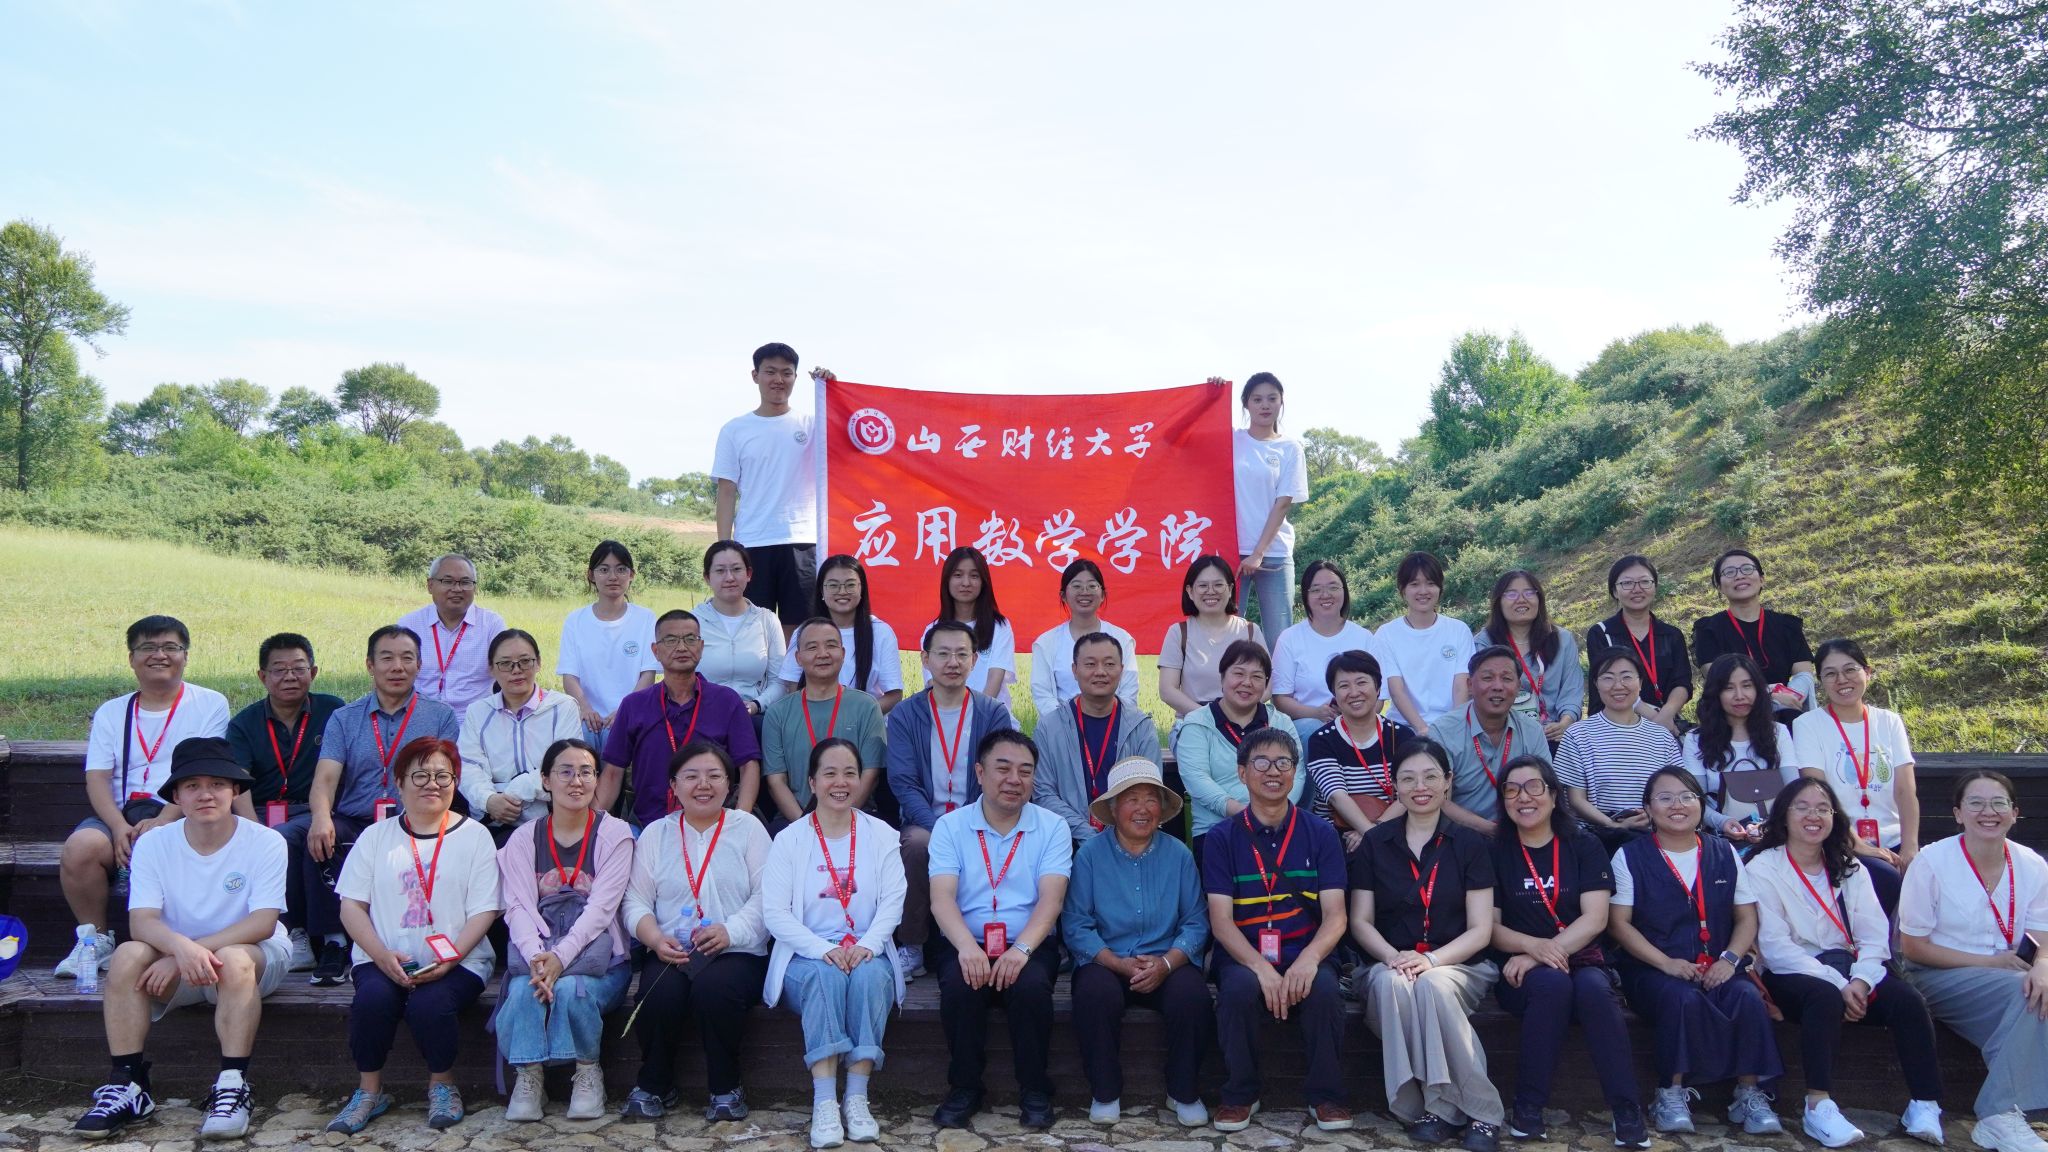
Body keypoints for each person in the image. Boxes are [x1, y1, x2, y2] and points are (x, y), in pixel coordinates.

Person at [69, 738, 290, 1141]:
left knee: (234, 958)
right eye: (192, 786)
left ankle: (232, 1085)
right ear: (176, 796)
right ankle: (128, 1084)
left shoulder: (266, 841)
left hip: (254, 956)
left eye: (217, 784)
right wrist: (180, 949)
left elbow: (262, 922)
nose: (206, 794)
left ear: (235, 790)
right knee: (127, 954)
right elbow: (142, 922)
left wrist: (187, 951)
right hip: (179, 955)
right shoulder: (155, 842)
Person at [1747, 777, 1944, 1147]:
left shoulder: (1849, 866)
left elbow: (1874, 935)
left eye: (1823, 809)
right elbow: (1775, 947)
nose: (1814, 816)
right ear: (1784, 815)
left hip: (1852, 971)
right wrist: (1839, 984)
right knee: (1824, 997)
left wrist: (1861, 980)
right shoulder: (1763, 868)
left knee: (1908, 1001)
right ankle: (1818, 1106)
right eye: (1802, 807)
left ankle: (1924, 1104)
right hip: (1793, 972)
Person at [327, 737, 502, 1136]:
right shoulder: (376, 836)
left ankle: (442, 1085)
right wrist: (380, 954)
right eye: (420, 775)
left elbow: (485, 910)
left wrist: (450, 959)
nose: (432, 784)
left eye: (443, 776)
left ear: (455, 782)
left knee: (431, 1003)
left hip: (461, 959)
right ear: (399, 782)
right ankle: (369, 1091)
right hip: (383, 956)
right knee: (372, 1000)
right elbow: (351, 906)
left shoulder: (475, 836)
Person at [1607, 766, 1784, 1136]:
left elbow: (1746, 917)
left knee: (1745, 996)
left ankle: (1749, 1094)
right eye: (1665, 798)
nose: (1678, 805)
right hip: (1653, 969)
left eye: (1687, 796)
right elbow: (1619, 924)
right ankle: (1670, 1093)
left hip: (1717, 963)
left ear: (1701, 804)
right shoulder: (1629, 856)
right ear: (1648, 808)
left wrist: (1730, 959)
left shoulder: (1724, 852)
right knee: (1681, 998)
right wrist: (1665, 963)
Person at [1349, 739, 1505, 1152]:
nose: (1420, 787)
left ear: (1448, 782)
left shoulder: (1470, 844)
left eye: (1431, 776)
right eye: (1408, 778)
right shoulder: (1376, 843)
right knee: (1393, 984)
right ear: (1394, 785)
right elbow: (1360, 921)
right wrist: (1393, 958)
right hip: (1387, 962)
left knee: (1432, 985)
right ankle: (1430, 1106)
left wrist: (1431, 960)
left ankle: (1458, 1108)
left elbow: (1481, 930)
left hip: (1459, 965)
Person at [58, 615, 232, 982]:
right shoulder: (112, 711)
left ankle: (172, 943)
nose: (160, 655)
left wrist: (164, 819)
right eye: (148, 648)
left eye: (171, 647)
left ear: (185, 656)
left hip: (183, 811)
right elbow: (97, 777)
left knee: (170, 840)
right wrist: (117, 826)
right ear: (132, 658)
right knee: (81, 847)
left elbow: (204, 770)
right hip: (121, 812)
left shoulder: (209, 704)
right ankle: (95, 939)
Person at [1487, 756, 1647, 1148]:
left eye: (1534, 787)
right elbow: (1489, 927)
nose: (1524, 797)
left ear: (1554, 794)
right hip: (1520, 969)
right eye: (1512, 789)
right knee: (1552, 986)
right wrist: (1531, 948)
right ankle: (1528, 1108)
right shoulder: (1494, 850)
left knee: (1595, 991)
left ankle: (1627, 1111)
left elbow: (1596, 918)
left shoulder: (1583, 844)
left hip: (1581, 958)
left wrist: (1544, 950)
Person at [760, 739, 908, 1149]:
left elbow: (893, 901)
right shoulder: (789, 840)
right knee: (824, 978)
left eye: (849, 774)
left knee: (869, 978)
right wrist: (821, 949)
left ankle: (856, 1098)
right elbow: (775, 913)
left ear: (861, 780)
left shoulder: (881, 835)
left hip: (865, 948)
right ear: (812, 782)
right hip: (806, 954)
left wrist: (868, 945)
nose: (840, 783)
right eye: (829, 774)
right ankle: (825, 1102)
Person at [1202, 727, 1351, 1133]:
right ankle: (1240, 1094)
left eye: (1283, 762)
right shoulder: (1221, 838)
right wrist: (1260, 968)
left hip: (1307, 947)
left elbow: (1336, 916)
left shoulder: (1320, 833)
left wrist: (1309, 959)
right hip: (1245, 952)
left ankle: (1327, 1096)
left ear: (1295, 772)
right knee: (1237, 991)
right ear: (1242, 772)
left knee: (1323, 991)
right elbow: (1221, 920)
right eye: (1262, 762)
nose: (1273, 771)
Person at [926, 730, 1072, 1131]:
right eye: (1003, 768)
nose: (1014, 780)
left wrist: (1021, 950)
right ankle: (965, 1088)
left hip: (1029, 942)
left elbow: (1051, 901)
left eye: (1025, 771)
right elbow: (942, 899)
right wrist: (965, 947)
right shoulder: (950, 827)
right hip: (966, 940)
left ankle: (1035, 1089)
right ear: (979, 773)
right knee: (961, 988)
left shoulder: (1052, 827)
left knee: (1030, 989)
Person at [621, 742, 773, 1122]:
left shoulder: (748, 829)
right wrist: (655, 939)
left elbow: (768, 897)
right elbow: (635, 901)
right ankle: (655, 1084)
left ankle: (726, 1087)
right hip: (673, 948)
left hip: (737, 950)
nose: (703, 785)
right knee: (659, 994)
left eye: (714, 776)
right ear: (674, 785)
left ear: (729, 785)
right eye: (691, 776)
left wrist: (731, 931)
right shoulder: (657, 834)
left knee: (715, 990)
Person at [1898, 770, 2048, 1152]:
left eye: (1999, 803)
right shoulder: (1932, 862)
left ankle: (2009, 1111)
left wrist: (2044, 965)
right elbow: (1912, 947)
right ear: (1958, 813)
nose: (1988, 812)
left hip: (2009, 975)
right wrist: (1991, 963)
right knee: (2027, 994)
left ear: (2014, 812)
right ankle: (1998, 1115)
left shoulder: (2032, 865)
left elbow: (2042, 939)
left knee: (2037, 989)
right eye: (1976, 803)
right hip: (1936, 974)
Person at [307, 626, 461, 985]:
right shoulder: (345, 718)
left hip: (416, 821)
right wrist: (320, 816)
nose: (397, 666)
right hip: (357, 820)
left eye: (407, 658)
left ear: (419, 665)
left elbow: (448, 777)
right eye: (387, 658)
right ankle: (333, 942)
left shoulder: (439, 716)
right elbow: (325, 779)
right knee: (314, 834)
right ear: (369, 665)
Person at [1064, 757, 1212, 1127]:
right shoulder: (1090, 856)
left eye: (1151, 799)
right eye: (1132, 799)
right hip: (1107, 960)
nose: (1142, 809)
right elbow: (1077, 924)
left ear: (1162, 808)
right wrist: (1115, 962)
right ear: (1114, 809)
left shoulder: (1179, 855)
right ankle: (1105, 1092)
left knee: (1192, 996)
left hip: (1166, 960)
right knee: (1094, 995)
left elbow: (1196, 921)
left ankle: (1183, 1091)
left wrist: (1167, 963)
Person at [496, 739, 635, 1123]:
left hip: (602, 964)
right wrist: (539, 959)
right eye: (566, 772)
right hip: (539, 958)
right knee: (523, 991)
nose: (577, 781)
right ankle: (529, 1076)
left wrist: (559, 958)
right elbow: (518, 908)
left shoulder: (615, 834)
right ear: (545, 780)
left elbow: (601, 911)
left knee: (574, 991)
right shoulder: (524, 838)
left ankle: (588, 1072)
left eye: (586, 772)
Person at [883, 620, 1017, 979]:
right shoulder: (906, 714)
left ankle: (994, 938)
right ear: (925, 659)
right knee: (915, 845)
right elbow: (903, 782)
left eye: (961, 654)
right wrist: (941, 828)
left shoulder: (992, 712)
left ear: (975, 660)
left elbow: (999, 776)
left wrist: (969, 823)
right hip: (925, 820)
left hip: (981, 817)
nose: (953, 662)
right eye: (943, 654)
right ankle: (912, 944)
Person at [225, 632, 345, 973]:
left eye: (299, 668)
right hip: (260, 811)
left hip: (314, 808)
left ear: (314, 672)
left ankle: (306, 934)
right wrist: (252, 827)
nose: (290, 677)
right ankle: (292, 931)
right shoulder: (244, 723)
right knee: (269, 838)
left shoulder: (333, 711)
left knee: (290, 838)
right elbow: (238, 783)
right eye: (279, 670)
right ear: (262, 676)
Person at [601, 610, 763, 824]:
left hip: (716, 824)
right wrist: (592, 825)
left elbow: (749, 765)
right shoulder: (634, 705)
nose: (681, 647)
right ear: (655, 651)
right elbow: (613, 772)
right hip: (650, 823)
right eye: (671, 640)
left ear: (701, 647)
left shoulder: (727, 701)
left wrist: (740, 821)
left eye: (690, 639)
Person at [1794, 638, 1918, 916]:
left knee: (1924, 876)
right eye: (1830, 674)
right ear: (1821, 682)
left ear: (1868, 672)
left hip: (1893, 839)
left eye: (1850, 669)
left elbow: (1905, 790)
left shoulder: (1889, 721)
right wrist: (1857, 844)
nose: (1842, 680)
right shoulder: (1808, 725)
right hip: (1838, 838)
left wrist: (1910, 847)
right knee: (1885, 877)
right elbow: (1819, 793)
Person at [712, 343, 820, 628]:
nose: (778, 380)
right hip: (752, 541)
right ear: (755, 375)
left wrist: (831, 389)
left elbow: (852, 430)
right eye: (770, 372)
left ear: (795, 377)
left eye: (787, 373)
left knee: (801, 627)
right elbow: (726, 491)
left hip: (802, 540)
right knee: (752, 626)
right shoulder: (735, 430)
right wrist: (724, 547)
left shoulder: (813, 426)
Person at [1030, 632, 1163, 843]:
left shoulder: (1140, 727)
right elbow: (1043, 794)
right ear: (1074, 670)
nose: (1100, 672)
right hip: (1064, 841)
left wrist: (1114, 839)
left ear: (1121, 670)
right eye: (1090, 664)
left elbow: (1151, 789)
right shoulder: (1049, 727)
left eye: (1109, 664)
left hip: (1128, 841)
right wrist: (1087, 834)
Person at [1179, 640, 1302, 859]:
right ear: (1222, 677)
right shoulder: (1197, 723)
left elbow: (1297, 772)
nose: (1247, 683)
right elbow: (1196, 778)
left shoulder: (1281, 722)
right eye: (1238, 673)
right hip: (1216, 830)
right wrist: (1245, 814)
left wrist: (1274, 814)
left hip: (1277, 826)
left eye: (1257, 677)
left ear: (1266, 684)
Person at [458, 629, 583, 842]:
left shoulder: (563, 707)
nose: (516, 670)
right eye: (505, 663)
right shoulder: (478, 712)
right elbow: (468, 766)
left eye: (525, 661)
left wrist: (513, 793)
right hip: (494, 822)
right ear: (491, 669)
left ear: (538, 663)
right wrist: (489, 800)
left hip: (552, 821)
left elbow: (565, 766)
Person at [763, 618, 887, 828]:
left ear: (843, 653)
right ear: (798, 658)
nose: (822, 654)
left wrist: (838, 823)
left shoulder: (866, 707)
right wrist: (807, 827)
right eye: (812, 647)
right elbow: (776, 781)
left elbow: (870, 774)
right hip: (795, 821)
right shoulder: (778, 713)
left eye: (831, 645)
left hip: (856, 818)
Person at [1557, 651, 1684, 851]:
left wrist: (1652, 816)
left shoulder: (1661, 736)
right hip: (1597, 840)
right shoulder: (1578, 734)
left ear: (1640, 683)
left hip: (1656, 838)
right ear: (1596, 684)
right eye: (1608, 678)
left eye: (1626, 677)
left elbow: (1679, 790)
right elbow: (1575, 799)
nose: (1618, 686)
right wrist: (1614, 825)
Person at [1224, 371, 1309, 646]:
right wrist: (1210, 394)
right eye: (1257, 399)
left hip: (1274, 553)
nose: (1265, 405)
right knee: (1225, 630)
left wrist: (1258, 553)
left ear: (1281, 402)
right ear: (1246, 404)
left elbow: (1283, 503)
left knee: (1280, 636)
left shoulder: (1290, 448)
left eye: (1272, 399)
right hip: (1231, 550)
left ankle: (1279, 678)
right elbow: (1184, 435)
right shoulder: (1231, 439)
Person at [1429, 646, 1550, 833]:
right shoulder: (1443, 732)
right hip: (1460, 836)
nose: (1498, 686)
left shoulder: (1532, 731)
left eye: (1507, 678)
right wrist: (1492, 831)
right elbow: (1438, 800)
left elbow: (1545, 790)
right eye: (1487, 678)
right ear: (1470, 685)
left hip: (1522, 831)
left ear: (1519, 686)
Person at [1690, 549, 1814, 724]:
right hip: (1735, 719)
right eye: (1729, 572)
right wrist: (1769, 696)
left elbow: (1804, 675)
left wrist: (1788, 697)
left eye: (1747, 569)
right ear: (1719, 586)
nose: (1740, 576)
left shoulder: (1787, 625)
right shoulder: (1708, 630)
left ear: (1762, 578)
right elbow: (1718, 679)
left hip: (1788, 713)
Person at [558, 539, 662, 746]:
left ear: (631, 575)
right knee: (584, 738)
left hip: (631, 709)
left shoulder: (646, 618)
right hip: (587, 714)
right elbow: (569, 676)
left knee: (614, 737)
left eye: (621, 569)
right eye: (604, 570)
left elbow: (648, 675)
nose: (613, 577)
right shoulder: (575, 620)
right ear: (591, 575)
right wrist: (585, 708)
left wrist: (625, 710)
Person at [1683, 654, 1795, 843]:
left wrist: (1771, 826)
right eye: (1729, 688)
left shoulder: (1779, 732)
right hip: (1723, 840)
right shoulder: (1696, 740)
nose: (1740, 696)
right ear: (1715, 693)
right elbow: (1695, 800)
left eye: (1747, 686)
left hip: (1778, 838)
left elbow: (1794, 790)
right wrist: (1724, 822)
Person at [1304, 649, 1408, 848]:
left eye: (1361, 682)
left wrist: (1374, 832)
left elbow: (1408, 793)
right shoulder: (1322, 740)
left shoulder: (1401, 736)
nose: (1353, 693)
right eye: (1344, 686)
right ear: (1334, 694)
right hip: (1337, 836)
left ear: (1378, 688)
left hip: (1391, 830)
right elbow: (1337, 796)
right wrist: (1371, 835)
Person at [1270, 560, 1379, 749]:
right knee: (1313, 730)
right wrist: (1316, 713)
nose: (1325, 595)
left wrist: (1354, 715)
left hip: (1358, 721)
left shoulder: (1363, 637)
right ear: (1305, 595)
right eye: (1316, 590)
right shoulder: (1290, 638)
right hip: (1309, 725)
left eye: (1333, 587)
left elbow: (1379, 696)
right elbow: (1280, 698)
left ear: (1344, 591)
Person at [777, 554, 905, 714]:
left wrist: (857, 718)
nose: (842, 591)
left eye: (850, 585)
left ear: (862, 589)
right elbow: (793, 686)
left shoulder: (881, 632)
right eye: (833, 585)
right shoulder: (804, 632)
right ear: (821, 591)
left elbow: (894, 694)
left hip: (864, 722)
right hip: (813, 721)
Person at [1584, 555, 1692, 736]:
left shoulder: (1671, 634)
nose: (1637, 589)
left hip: (1666, 723)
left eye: (1644, 582)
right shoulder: (1601, 633)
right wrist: (1655, 720)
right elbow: (1606, 684)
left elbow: (1682, 682)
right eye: (1627, 583)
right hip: (1615, 726)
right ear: (1615, 591)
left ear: (1655, 587)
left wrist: (1666, 714)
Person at [1473, 569, 1583, 744]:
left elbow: (1572, 689)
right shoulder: (1484, 642)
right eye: (1511, 594)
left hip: (1553, 734)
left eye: (1529, 593)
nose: (1521, 599)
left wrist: (1565, 723)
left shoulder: (1562, 639)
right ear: (1498, 602)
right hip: (1503, 734)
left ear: (1539, 599)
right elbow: (1480, 692)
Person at [396, 554, 508, 715]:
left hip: (475, 718)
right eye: (447, 581)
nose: (457, 589)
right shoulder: (409, 625)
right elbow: (390, 676)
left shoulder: (491, 625)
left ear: (475, 587)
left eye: (465, 582)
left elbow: (509, 673)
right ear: (430, 585)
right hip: (420, 715)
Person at [1377, 551, 1475, 733]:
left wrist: (1453, 727)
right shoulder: (1386, 634)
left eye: (1430, 583)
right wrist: (1422, 729)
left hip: (1452, 725)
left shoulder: (1458, 630)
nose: (1423, 591)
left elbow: (1461, 686)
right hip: (1404, 728)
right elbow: (1396, 690)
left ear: (1440, 588)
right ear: (1402, 589)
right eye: (1414, 584)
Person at [1027, 558, 1140, 715]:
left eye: (1092, 586)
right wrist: (1067, 722)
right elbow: (1043, 695)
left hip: (1113, 723)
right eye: (1077, 586)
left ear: (1102, 595)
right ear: (1063, 595)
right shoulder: (1046, 643)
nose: (1085, 592)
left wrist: (1108, 720)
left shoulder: (1122, 639)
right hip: (1062, 723)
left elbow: (1129, 694)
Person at [693, 540, 788, 724]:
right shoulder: (692, 621)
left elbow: (779, 681)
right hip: (703, 714)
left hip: (754, 715)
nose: (729, 577)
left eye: (736, 569)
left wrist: (756, 705)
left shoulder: (767, 620)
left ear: (749, 574)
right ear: (707, 577)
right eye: (720, 571)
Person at [1158, 555, 1263, 719]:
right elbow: (1167, 690)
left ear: (1230, 589)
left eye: (1218, 585)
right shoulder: (1178, 632)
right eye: (1203, 586)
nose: (1211, 591)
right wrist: (1209, 717)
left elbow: (1268, 683)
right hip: (1194, 721)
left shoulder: (1250, 631)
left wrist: (1239, 713)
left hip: (1243, 721)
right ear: (1190, 591)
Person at [923, 546, 1017, 699]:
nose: (966, 583)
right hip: (948, 712)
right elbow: (933, 684)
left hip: (990, 712)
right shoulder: (933, 630)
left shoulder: (999, 626)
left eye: (974, 576)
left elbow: (995, 679)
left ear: (983, 582)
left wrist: (976, 712)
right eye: (958, 575)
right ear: (947, 580)